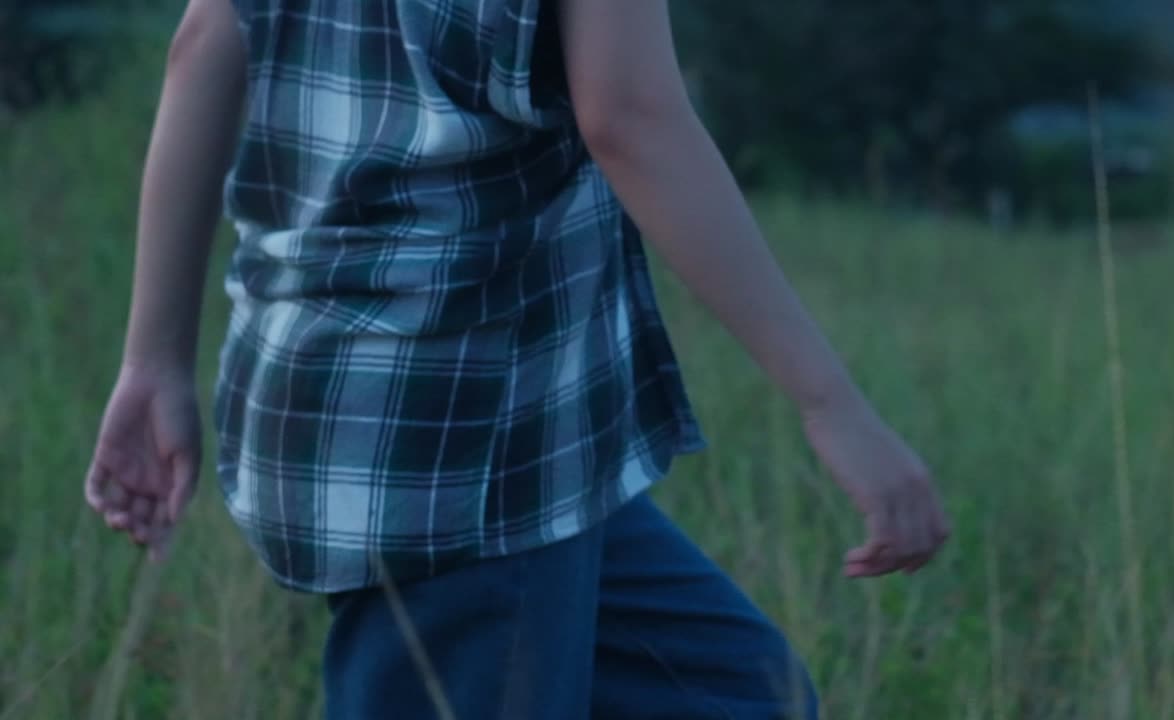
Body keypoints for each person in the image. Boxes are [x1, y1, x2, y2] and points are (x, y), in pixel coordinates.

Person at [83, 0, 950, 717]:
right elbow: (630, 117)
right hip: (466, 445)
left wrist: (152, 358)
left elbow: (203, 40)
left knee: (743, 694)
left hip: (439, 430)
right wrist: (829, 403)